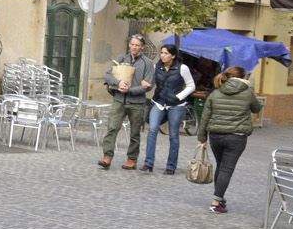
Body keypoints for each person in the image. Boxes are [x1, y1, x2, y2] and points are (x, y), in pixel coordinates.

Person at [199, 65, 263, 214]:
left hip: (215, 135)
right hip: (236, 137)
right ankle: (216, 202)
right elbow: (257, 108)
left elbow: (205, 117)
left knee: (221, 166)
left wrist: (202, 138)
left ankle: (219, 199)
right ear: (243, 78)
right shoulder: (247, 92)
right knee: (226, 168)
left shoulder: (215, 93)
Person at [99, 33, 153, 170]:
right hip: (119, 100)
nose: (134, 47)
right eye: (132, 44)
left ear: (142, 47)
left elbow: (147, 86)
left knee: (135, 132)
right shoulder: (121, 58)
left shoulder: (148, 63)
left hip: (137, 103)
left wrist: (129, 90)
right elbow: (107, 74)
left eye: (137, 45)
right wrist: (118, 83)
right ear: (129, 45)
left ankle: (132, 159)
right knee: (112, 128)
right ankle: (107, 156)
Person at [142, 44, 196, 175]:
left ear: (173, 55)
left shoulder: (182, 68)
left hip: (176, 105)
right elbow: (151, 83)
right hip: (159, 102)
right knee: (152, 130)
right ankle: (148, 163)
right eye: (161, 52)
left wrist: (179, 96)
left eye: (166, 53)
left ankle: (171, 166)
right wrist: (147, 84)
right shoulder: (156, 67)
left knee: (173, 135)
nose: (162, 55)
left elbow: (191, 86)